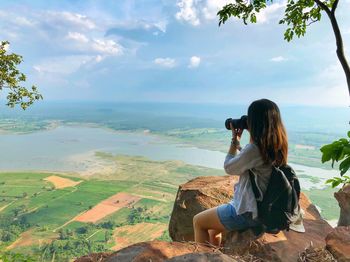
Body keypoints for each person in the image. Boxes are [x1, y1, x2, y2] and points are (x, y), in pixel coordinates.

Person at [193, 99, 288, 246]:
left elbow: (229, 167)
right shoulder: (278, 143)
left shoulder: (255, 148)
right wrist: (240, 146)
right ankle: (214, 257)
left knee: (198, 221)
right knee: (213, 230)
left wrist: (233, 143)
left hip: (249, 212)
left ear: (255, 122)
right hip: (265, 207)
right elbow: (257, 163)